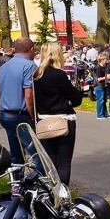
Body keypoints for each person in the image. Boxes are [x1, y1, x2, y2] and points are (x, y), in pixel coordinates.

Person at [34, 42, 83, 185]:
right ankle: (62, 194)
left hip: (44, 120)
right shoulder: (59, 75)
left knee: (50, 161)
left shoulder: (36, 75)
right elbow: (75, 98)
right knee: (64, 162)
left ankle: (51, 191)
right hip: (63, 120)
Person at [0, 38, 37, 166]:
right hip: (21, 114)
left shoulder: (4, 66)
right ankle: (44, 180)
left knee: (16, 151)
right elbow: (29, 95)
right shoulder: (30, 66)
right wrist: (33, 115)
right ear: (30, 49)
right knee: (35, 151)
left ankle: (17, 181)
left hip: (5, 113)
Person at [94, 53, 108, 119]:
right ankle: (99, 115)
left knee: (104, 100)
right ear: (101, 60)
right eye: (105, 59)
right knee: (100, 100)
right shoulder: (98, 67)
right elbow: (99, 78)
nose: (106, 60)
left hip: (103, 85)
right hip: (98, 85)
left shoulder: (104, 67)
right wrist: (106, 77)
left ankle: (105, 113)